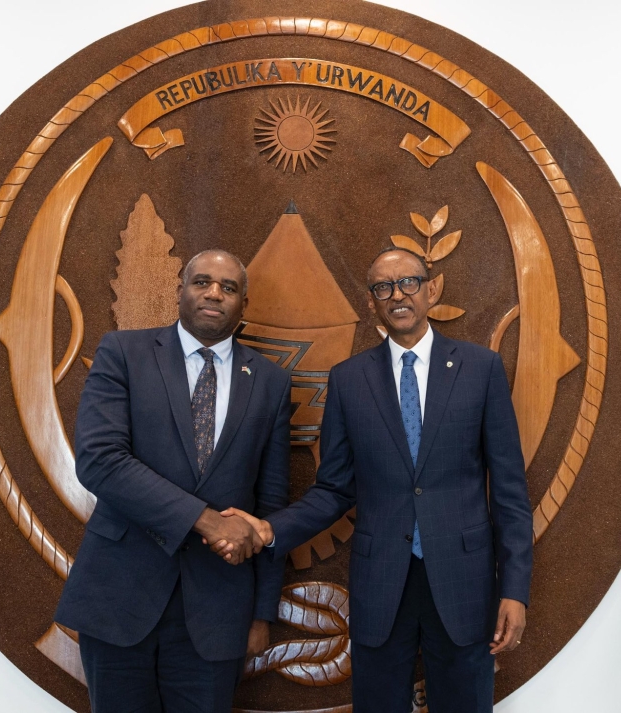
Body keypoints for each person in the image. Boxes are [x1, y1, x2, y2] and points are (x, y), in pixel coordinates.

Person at [220, 247, 533, 713]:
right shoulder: (348, 379)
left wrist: (514, 589)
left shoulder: (480, 369)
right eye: (383, 287)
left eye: (408, 282)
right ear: (371, 304)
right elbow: (333, 488)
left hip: (464, 582)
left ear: (430, 290)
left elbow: (509, 492)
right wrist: (270, 530)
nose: (397, 295)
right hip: (381, 582)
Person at [55, 249, 291, 713]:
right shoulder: (123, 352)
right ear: (180, 290)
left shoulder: (270, 381)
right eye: (202, 282)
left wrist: (262, 612)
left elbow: (272, 502)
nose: (214, 293)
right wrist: (206, 521)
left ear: (244, 302)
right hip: (119, 599)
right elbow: (100, 461)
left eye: (228, 288)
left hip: (218, 613)